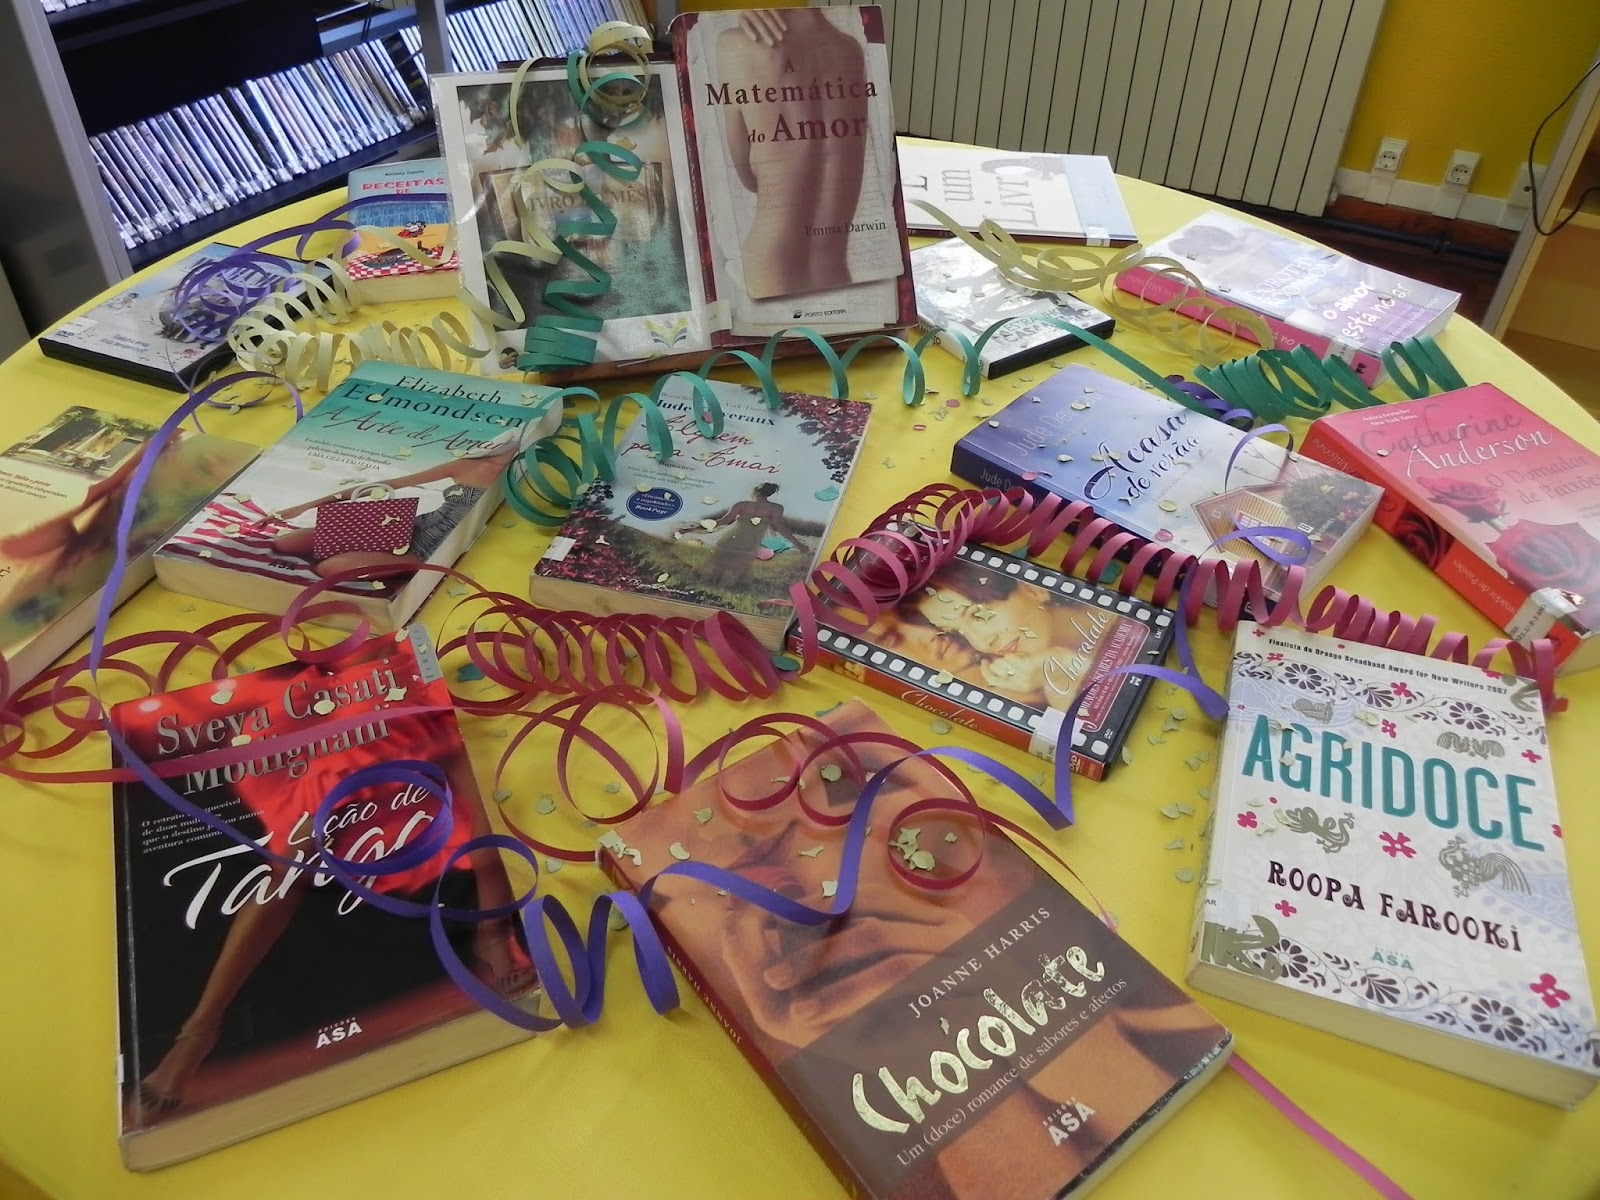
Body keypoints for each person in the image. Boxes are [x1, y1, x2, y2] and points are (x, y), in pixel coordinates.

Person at [131, 679, 532, 1119]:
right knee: (292, 861)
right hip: (328, 708)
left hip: (405, 697)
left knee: (476, 809)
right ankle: (200, 1027)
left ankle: (492, 932)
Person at [712, 9, 871, 298]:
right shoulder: (850, 50)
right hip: (835, 276)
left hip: (770, 273)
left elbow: (746, 175)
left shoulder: (736, 45)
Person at [267, 422, 540, 582]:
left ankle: (384, 561)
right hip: (412, 525)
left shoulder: (524, 471)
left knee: (329, 568)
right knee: (286, 543)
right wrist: (306, 506)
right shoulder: (466, 465)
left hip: (432, 550)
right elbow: (387, 485)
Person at [865, 567, 1113, 709]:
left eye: (978, 615)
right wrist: (1057, 675)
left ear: (1032, 590)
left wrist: (1067, 665)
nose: (982, 643)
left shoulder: (1114, 611)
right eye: (958, 632)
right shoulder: (1028, 679)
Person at [676, 482, 820, 588]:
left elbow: (721, 521)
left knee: (719, 564)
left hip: (732, 537)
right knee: (739, 568)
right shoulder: (776, 508)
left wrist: (691, 529)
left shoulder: (742, 504)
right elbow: (780, 528)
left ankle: (712, 585)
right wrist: (799, 545)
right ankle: (726, 587)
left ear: (755, 492)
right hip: (751, 542)